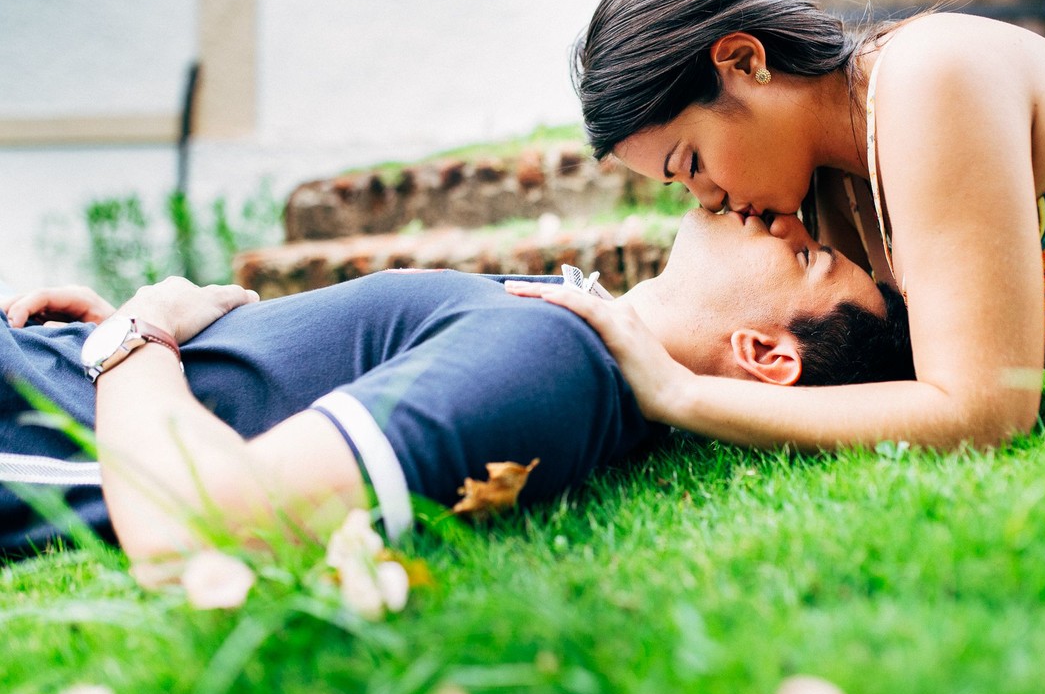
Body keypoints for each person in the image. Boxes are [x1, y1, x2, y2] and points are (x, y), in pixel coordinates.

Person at [509, 0, 1045, 452]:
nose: (708, 202)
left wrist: (682, 397)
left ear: (746, 60)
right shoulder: (830, 181)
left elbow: (984, 409)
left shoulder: (930, 82)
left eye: (692, 163)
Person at [0, 207, 912, 564]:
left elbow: (194, 527)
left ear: (765, 354)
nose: (780, 212)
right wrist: (116, 335)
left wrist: (134, 337)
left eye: (806, 253)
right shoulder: (560, 326)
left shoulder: (553, 365)